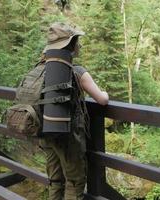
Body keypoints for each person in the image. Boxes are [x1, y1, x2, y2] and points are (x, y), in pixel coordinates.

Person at [40, 22, 109, 200]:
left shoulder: (43, 67)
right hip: (67, 134)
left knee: (55, 180)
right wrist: (105, 93)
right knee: (74, 181)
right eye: (77, 41)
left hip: (46, 129)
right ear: (71, 44)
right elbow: (101, 100)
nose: (79, 45)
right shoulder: (77, 71)